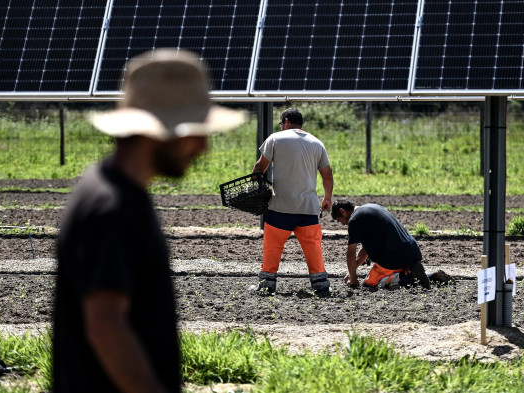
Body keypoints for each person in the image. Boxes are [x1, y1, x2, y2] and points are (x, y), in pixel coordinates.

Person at [53, 49, 245, 393]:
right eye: (193, 129)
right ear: (157, 132)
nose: (203, 146)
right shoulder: (111, 208)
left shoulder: (112, 190)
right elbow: (106, 326)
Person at [251, 108, 334, 296]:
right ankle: (321, 285)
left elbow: (259, 168)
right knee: (313, 247)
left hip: (280, 206)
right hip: (308, 209)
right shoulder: (317, 143)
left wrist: (254, 188)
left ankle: (267, 284)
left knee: (272, 247)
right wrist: (327, 197)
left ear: (286, 121)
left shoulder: (275, 139)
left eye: (281, 124)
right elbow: (327, 174)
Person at [331, 199, 454, 290]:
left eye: (339, 220)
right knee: (395, 271)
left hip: (394, 258)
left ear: (342, 212)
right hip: (412, 250)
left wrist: (354, 281)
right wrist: (352, 270)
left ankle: (408, 277)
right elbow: (365, 250)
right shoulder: (371, 207)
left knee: (370, 284)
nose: (342, 224)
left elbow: (350, 255)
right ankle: (429, 275)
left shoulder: (354, 220)